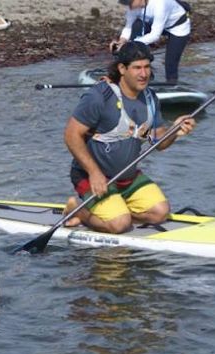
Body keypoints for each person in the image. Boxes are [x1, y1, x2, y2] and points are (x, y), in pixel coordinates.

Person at [63, 42, 196, 234]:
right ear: (122, 69)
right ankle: (78, 211)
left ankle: (116, 209)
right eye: (137, 68)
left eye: (147, 67)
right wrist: (94, 172)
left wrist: (175, 130)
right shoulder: (100, 97)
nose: (144, 74)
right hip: (93, 177)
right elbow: (71, 135)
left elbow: (158, 143)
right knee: (120, 225)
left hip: (127, 177)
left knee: (160, 212)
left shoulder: (150, 98)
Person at [110, 0, 191, 84]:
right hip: (153, 24)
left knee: (170, 64)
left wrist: (129, 44)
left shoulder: (160, 4)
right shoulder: (133, 7)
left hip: (178, 27)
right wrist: (121, 41)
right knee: (136, 25)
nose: (129, 6)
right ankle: (132, 73)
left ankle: (172, 85)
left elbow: (155, 35)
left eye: (130, 3)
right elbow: (128, 27)